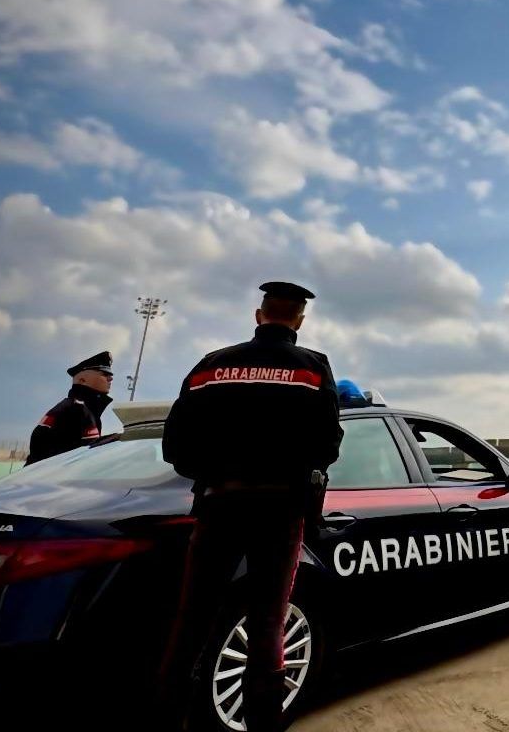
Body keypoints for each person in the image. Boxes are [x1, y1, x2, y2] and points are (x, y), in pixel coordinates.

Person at [159, 281, 342, 731]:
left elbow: (174, 445)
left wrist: (217, 470)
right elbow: (328, 445)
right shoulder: (313, 368)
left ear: (259, 316)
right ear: (298, 321)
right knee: (267, 627)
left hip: (218, 505)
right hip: (280, 512)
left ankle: (165, 719)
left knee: (190, 624)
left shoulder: (210, 366)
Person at [25, 351, 114, 464]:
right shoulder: (77, 411)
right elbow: (87, 457)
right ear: (82, 380)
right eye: (104, 374)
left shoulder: (74, 407)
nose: (110, 378)